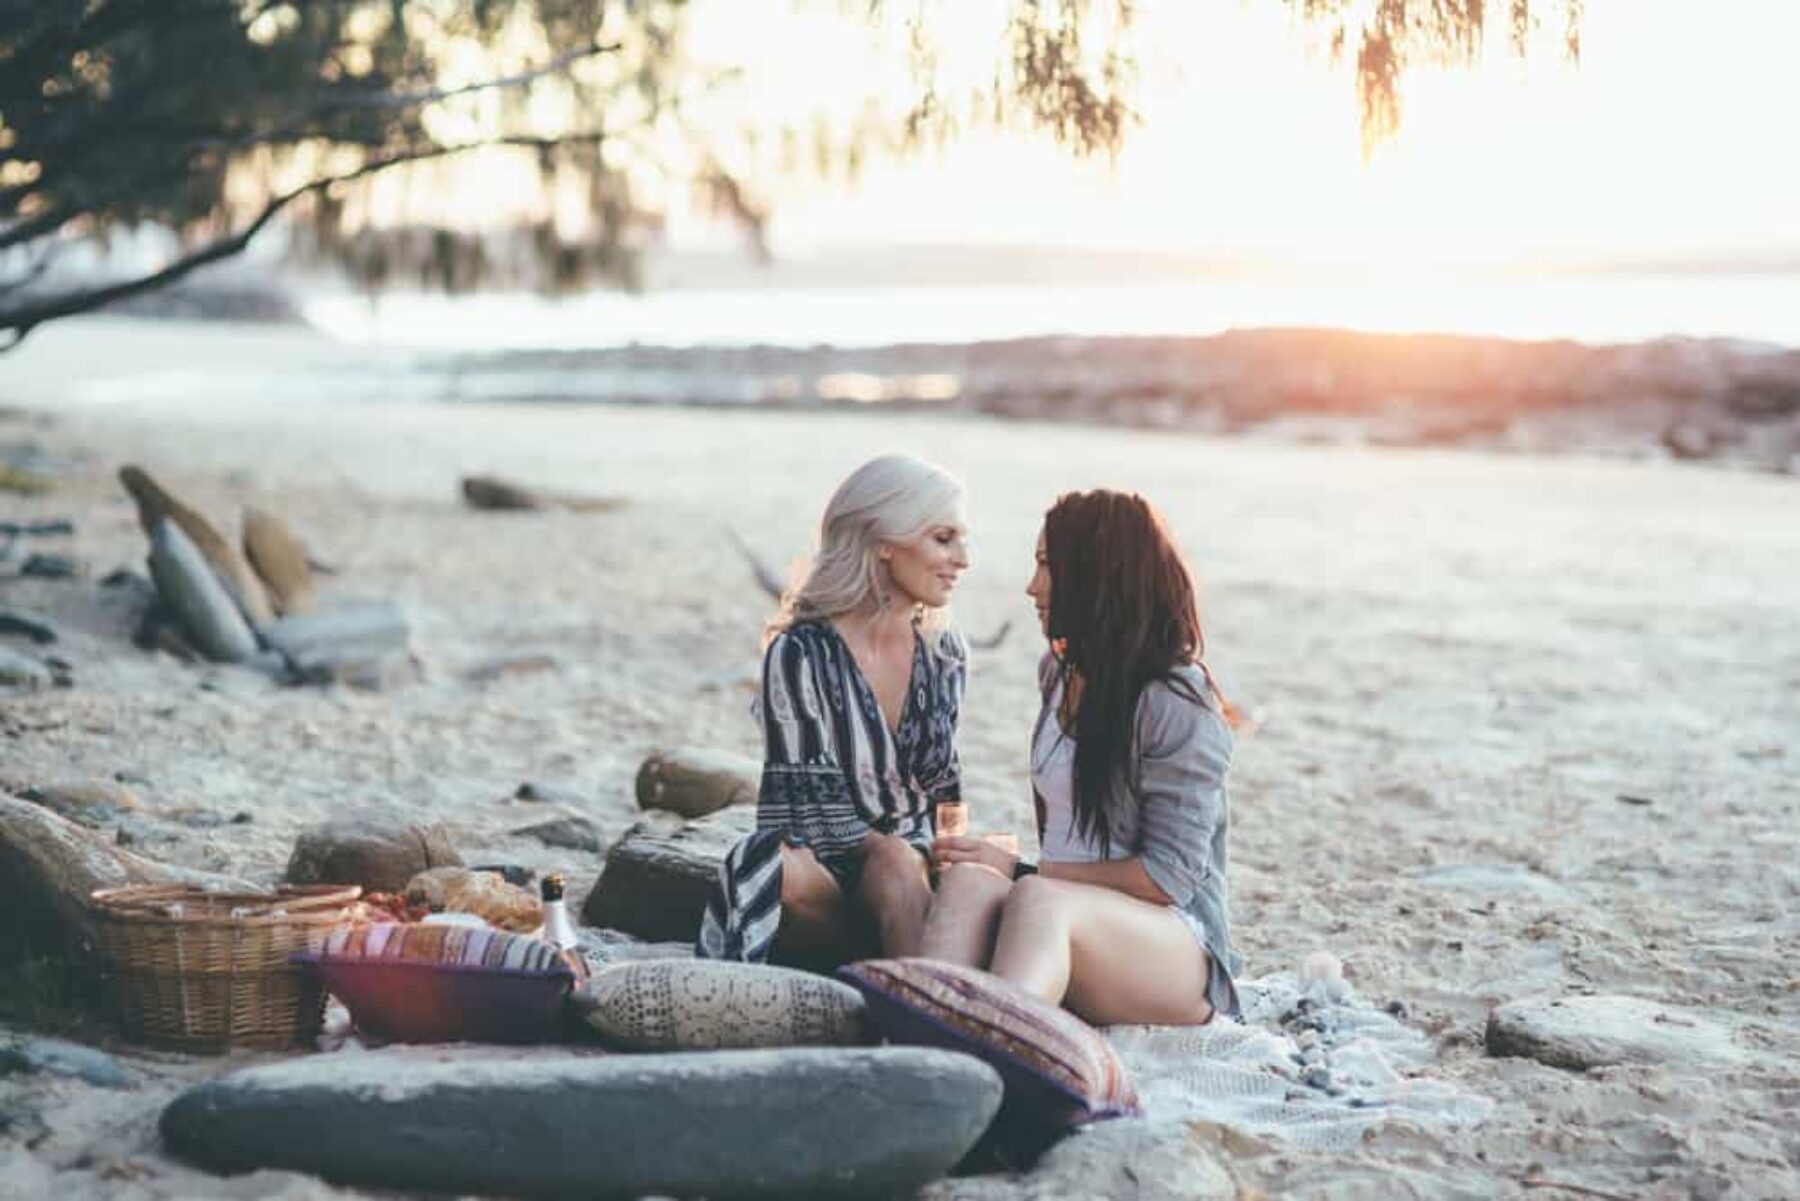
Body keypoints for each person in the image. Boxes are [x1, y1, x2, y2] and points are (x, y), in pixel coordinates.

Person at [921, 489, 1240, 1025]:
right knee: (970, 880)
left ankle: (1004, 1033)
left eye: (1047, 565)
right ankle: (928, 1031)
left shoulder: (1176, 702)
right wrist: (1002, 868)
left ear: (1097, 576)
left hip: (1172, 948)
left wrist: (1026, 869)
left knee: (1039, 897)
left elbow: (1169, 878)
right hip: (1064, 919)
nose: (1032, 586)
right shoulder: (1058, 673)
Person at [697, 454, 971, 966]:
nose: (963, 558)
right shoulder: (800, 652)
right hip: (824, 866)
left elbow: (946, 786)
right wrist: (887, 851)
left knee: (911, 862)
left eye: (962, 539)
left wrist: (954, 853)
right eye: (943, 538)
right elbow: (813, 808)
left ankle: (916, 988)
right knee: (760, 864)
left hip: (914, 865)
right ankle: (902, 974)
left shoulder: (945, 652)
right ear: (886, 542)